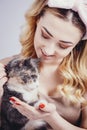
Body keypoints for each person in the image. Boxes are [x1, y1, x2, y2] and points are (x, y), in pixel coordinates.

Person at [0, 0, 87, 129]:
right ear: (36, 22)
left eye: (63, 46)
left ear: (77, 45)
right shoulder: (7, 67)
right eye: (45, 35)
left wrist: (51, 117)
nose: (48, 50)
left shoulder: (84, 79)